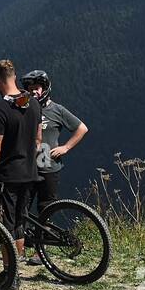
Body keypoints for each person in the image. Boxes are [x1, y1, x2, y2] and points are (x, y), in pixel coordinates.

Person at [0, 58, 41, 290]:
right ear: (14, 76)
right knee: (18, 223)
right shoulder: (34, 103)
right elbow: (37, 139)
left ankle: (10, 276)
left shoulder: (1, 109)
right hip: (29, 172)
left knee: (5, 226)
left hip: (8, 175)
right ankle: (13, 273)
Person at [21, 69, 88, 211]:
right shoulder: (24, 109)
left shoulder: (57, 110)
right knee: (22, 207)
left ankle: (44, 233)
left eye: (37, 88)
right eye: (30, 89)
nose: (33, 92)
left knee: (46, 208)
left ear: (45, 88)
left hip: (49, 168)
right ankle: (22, 233)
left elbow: (82, 128)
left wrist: (66, 147)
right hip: (28, 167)